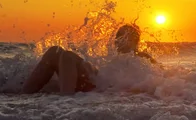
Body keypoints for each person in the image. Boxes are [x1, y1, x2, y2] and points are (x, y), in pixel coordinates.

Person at [23, 24, 155, 94]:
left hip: (98, 87)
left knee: (68, 56)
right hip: (95, 79)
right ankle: (23, 95)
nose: (119, 41)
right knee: (54, 51)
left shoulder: (141, 57)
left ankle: (65, 100)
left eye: (125, 38)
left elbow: (161, 77)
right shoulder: (110, 57)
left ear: (135, 41)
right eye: (118, 36)